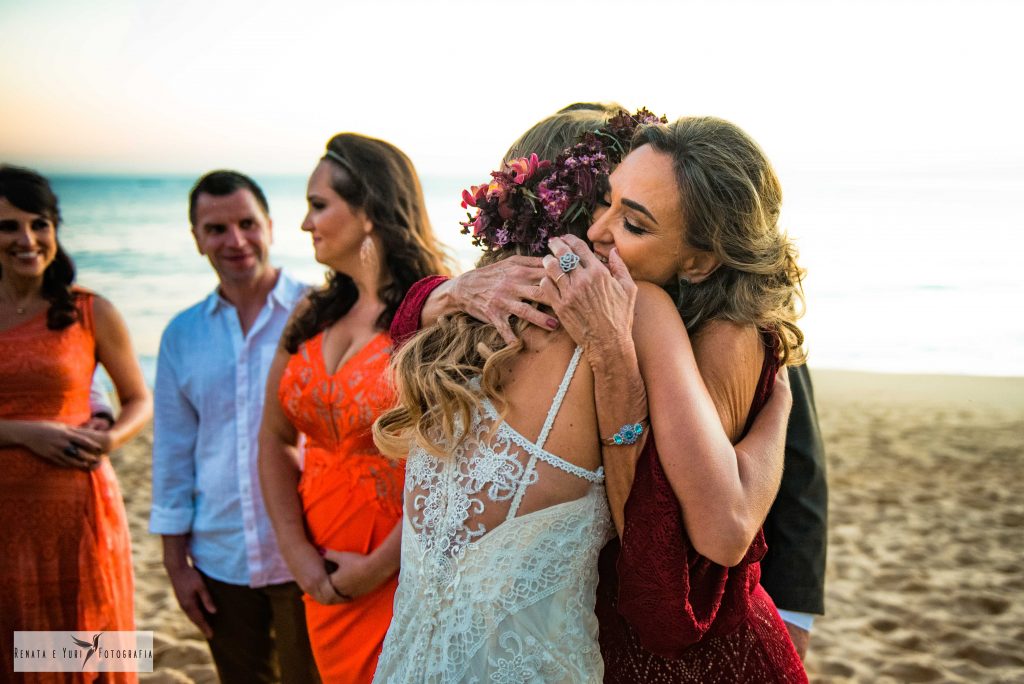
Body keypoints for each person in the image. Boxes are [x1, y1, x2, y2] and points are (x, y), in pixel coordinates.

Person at [376, 109, 802, 681]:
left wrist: (780, 412)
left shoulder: (674, 322)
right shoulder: (480, 321)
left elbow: (715, 538)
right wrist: (445, 292)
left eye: (634, 220)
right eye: (604, 199)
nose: (601, 229)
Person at [259, 133, 450, 683]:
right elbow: (274, 439)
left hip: (396, 568)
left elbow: (451, 461)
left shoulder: (431, 317)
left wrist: (377, 567)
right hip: (317, 565)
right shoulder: (310, 314)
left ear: (369, 211)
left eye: (318, 205)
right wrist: (296, 555)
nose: (305, 223)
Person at [149, 170, 318, 684]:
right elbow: (172, 453)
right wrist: (176, 565)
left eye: (247, 223)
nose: (236, 240)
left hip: (312, 552)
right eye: (216, 228)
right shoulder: (182, 334)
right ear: (197, 237)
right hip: (220, 556)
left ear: (270, 225)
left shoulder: (320, 313)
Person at [0, 165, 152, 681]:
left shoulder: (90, 310)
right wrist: (23, 433)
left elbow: (138, 399)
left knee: (78, 652)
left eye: (39, 224)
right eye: (8, 226)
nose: (27, 240)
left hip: (78, 517)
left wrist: (111, 437)